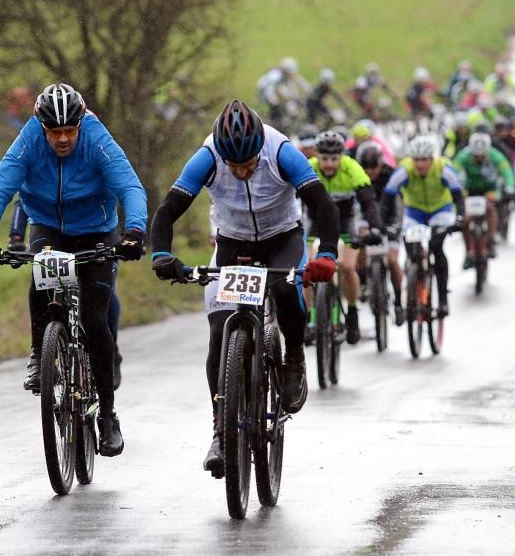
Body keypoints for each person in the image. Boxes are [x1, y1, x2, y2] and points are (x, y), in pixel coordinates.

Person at [148, 99, 339, 473]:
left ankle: (295, 358)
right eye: (233, 166)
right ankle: (221, 429)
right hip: (232, 241)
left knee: (285, 289)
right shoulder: (206, 156)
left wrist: (328, 254)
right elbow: (168, 210)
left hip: (282, 235)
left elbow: (323, 204)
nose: (240, 172)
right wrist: (161, 254)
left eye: (249, 165)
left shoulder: (282, 150)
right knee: (220, 330)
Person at [0, 83, 147, 457]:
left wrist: (134, 231)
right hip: (49, 227)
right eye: (55, 132)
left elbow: (129, 185)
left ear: (81, 123)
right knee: (40, 276)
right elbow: (0, 186)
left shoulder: (96, 136)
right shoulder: (30, 138)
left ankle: (108, 415)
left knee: (95, 320)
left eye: (70, 131)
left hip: (97, 229)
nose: (64, 139)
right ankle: (40, 352)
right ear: (42, 126)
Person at [7, 196, 125, 389]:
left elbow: (123, 190)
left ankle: (111, 349)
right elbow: (24, 200)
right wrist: (16, 237)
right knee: (42, 281)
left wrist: (132, 235)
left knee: (101, 293)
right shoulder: (44, 172)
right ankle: (46, 350)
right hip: (55, 234)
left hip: (94, 230)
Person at [310, 131, 383, 344]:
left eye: (334, 158)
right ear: (317, 156)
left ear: (342, 156)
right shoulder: (309, 167)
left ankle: (351, 312)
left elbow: (369, 202)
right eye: (325, 159)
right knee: (305, 267)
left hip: (345, 221)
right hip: (316, 222)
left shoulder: (352, 168)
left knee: (348, 267)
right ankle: (311, 317)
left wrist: (375, 227)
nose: (329, 164)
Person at [381, 135, 465, 317]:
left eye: (424, 160)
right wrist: (382, 222)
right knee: (410, 247)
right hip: (415, 212)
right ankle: (413, 278)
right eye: (416, 160)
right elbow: (388, 197)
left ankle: (442, 298)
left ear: (432, 158)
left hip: (440, 210)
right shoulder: (404, 170)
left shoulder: (444, 169)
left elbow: (458, 195)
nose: (420, 164)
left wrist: (459, 218)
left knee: (436, 246)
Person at [356, 143, 405, 324]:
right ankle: (362, 283)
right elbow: (355, 207)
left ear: (381, 163)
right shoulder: (355, 176)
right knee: (357, 252)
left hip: (390, 218)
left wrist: (396, 227)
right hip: (366, 218)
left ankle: (399, 302)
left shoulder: (391, 175)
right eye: (365, 167)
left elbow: (400, 205)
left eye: (373, 167)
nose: (369, 172)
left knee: (392, 260)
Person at [453, 132, 515, 266]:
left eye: (482, 155)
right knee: (464, 219)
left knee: (491, 209)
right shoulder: (463, 156)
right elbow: (453, 173)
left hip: (490, 189)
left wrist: (509, 188)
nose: (479, 158)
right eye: (476, 156)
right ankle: (468, 251)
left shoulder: (495, 156)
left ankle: (491, 240)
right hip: (470, 189)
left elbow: (507, 172)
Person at [256, 57, 312, 129]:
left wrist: (309, 90)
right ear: (287, 71)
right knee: (279, 109)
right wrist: (286, 99)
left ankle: (280, 122)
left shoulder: (284, 74)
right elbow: (274, 91)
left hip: (270, 90)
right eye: (291, 73)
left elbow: (297, 80)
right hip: (266, 92)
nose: (293, 74)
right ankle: (276, 125)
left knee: (288, 105)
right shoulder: (276, 76)